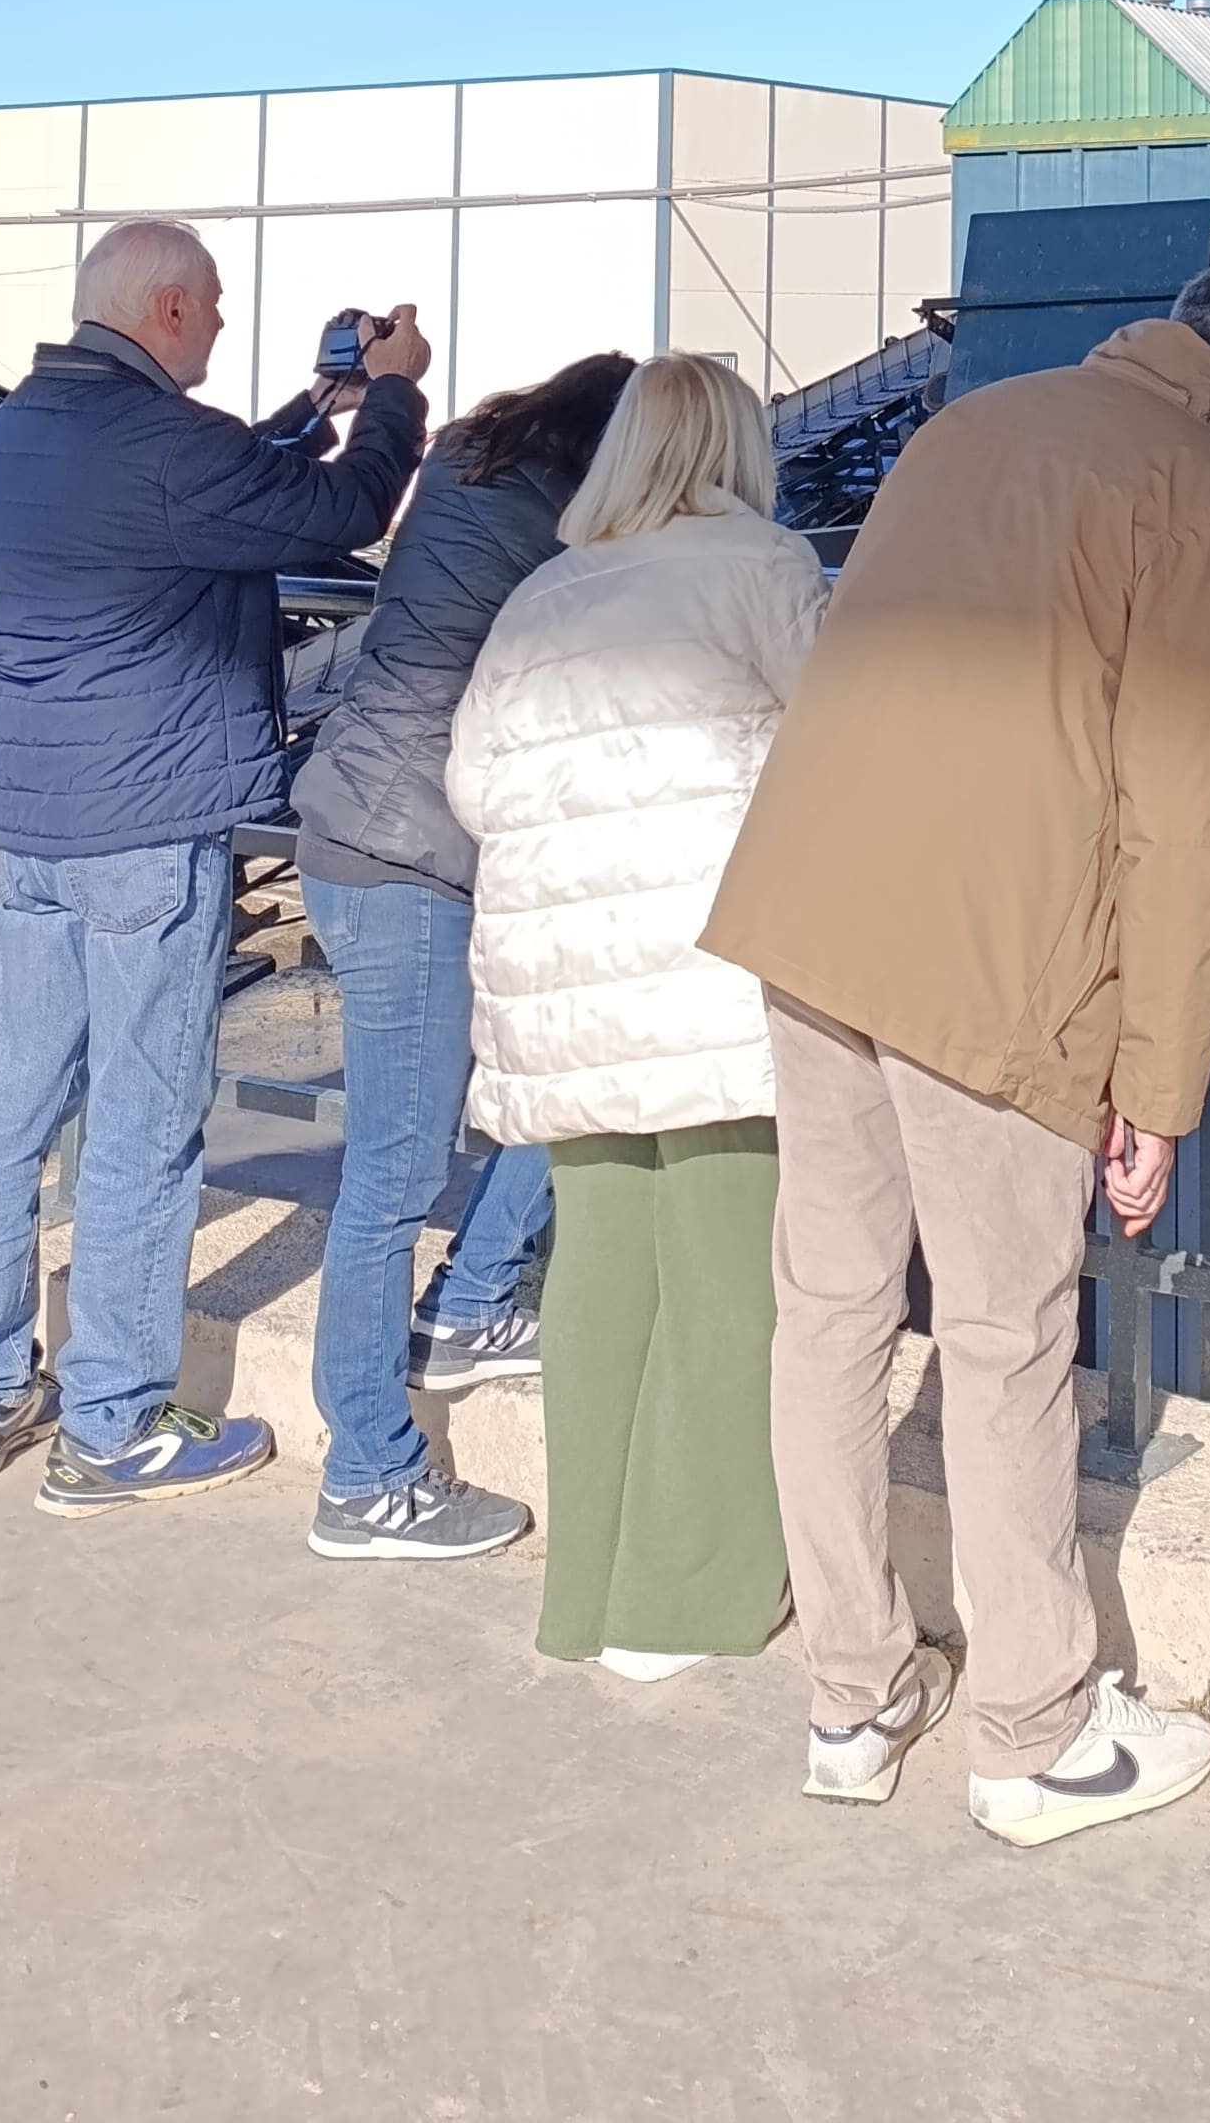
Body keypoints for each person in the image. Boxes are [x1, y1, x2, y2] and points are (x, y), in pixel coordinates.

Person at [701, 257, 1210, 1842]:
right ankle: (1034, 1735)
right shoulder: (1195, 493)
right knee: (1005, 1335)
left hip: (813, 901)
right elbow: (1188, 822)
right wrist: (1159, 1089)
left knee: (829, 1309)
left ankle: (852, 1697)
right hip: (990, 953)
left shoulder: (971, 425)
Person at [0, 219, 429, 1511]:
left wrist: (318, 400)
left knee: (11, 1120)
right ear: (161, 309)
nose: (215, 324)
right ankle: (113, 1423)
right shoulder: (163, 446)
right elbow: (340, 514)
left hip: (36, 825)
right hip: (145, 833)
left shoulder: (30, 425)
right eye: (206, 308)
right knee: (145, 1131)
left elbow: (227, 481)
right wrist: (395, 393)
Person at [444, 354, 829, 1680]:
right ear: (733, 448)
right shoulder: (765, 566)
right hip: (714, 985)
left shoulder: (544, 593)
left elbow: (473, 787)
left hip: (562, 992)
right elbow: (835, 748)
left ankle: (588, 1586)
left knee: (600, 1275)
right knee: (732, 1285)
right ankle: (686, 1598)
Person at [291, 348, 636, 1564]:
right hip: (415, 860)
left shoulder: (461, 464)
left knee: (547, 1080)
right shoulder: (574, 533)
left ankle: (474, 1301)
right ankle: (368, 1479)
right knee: (390, 1177)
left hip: (357, 820)